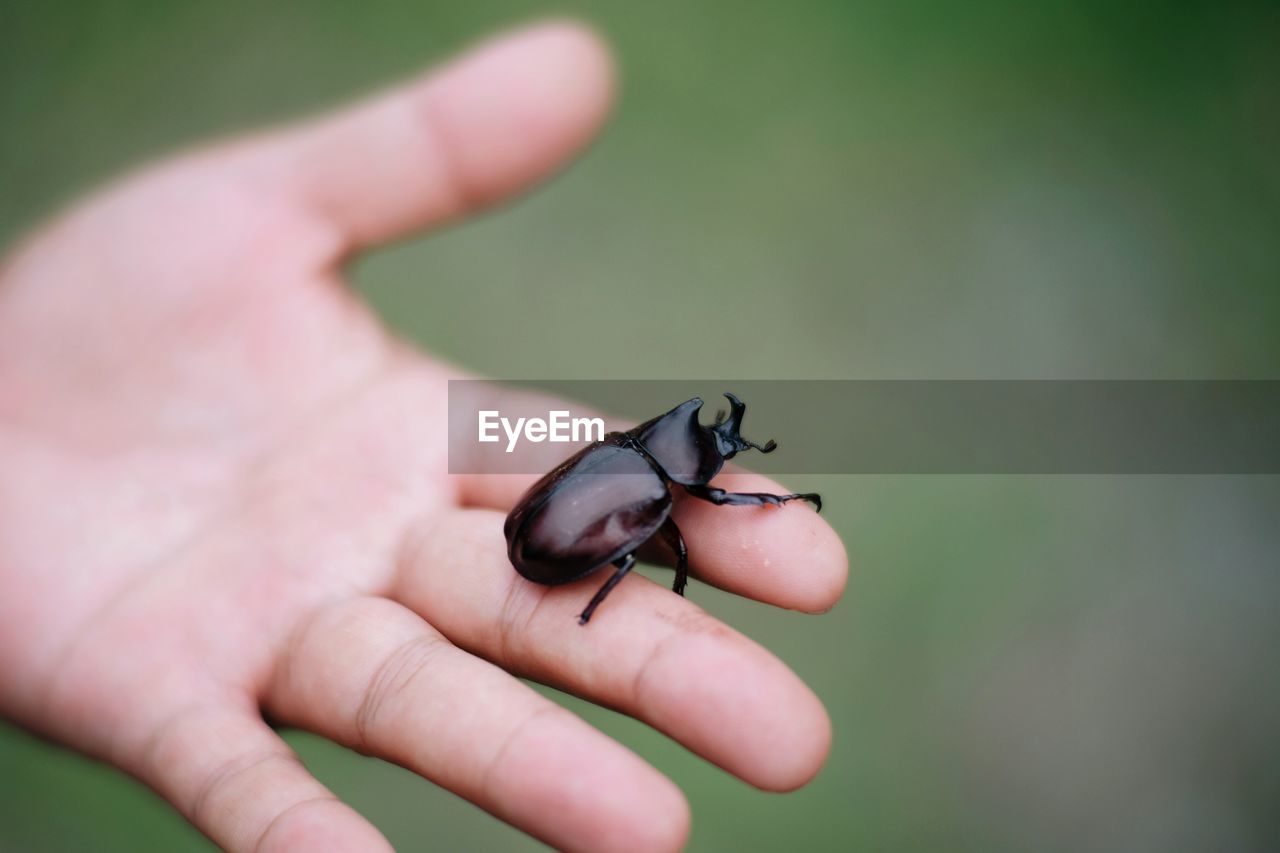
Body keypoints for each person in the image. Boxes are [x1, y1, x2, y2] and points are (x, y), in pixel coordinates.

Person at [0, 21, 848, 853]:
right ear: (690, 464)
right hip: (544, 543)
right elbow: (699, 518)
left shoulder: (631, 458)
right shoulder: (655, 485)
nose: (723, 452)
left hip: (542, 531)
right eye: (719, 448)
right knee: (644, 554)